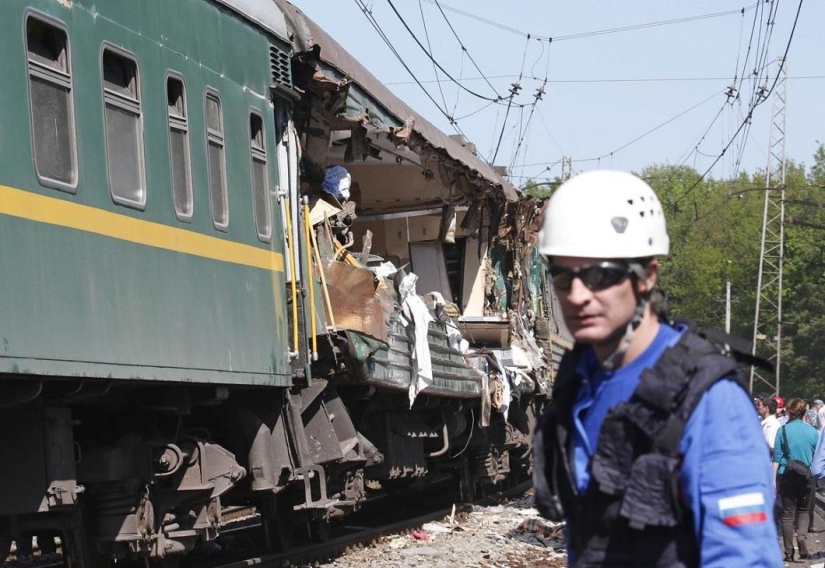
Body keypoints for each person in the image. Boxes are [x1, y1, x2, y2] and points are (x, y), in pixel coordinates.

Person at [532, 170, 781, 567]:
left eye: (600, 275)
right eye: (564, 277)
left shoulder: (708, 398)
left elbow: (744, 557)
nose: (578, 295)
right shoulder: (578, 385)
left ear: (647, 275)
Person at [772, 398, 819, 561]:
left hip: (786, 475)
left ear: (789, 411)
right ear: (804, 412)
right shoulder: (813, 432)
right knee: (804, 511)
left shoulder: (782, 431)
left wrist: (773, 480)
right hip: (806, 476)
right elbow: (818, 456)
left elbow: (777, 457)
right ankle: (801, 537)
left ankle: (788, 553)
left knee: (787, 515)